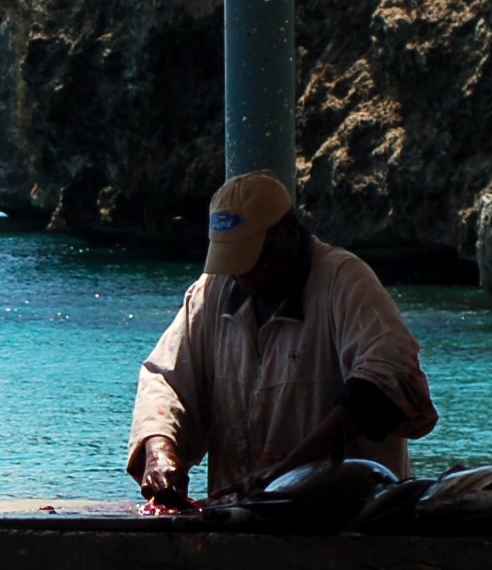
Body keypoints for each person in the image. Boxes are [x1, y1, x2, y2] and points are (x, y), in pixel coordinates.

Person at [130, 171, 438, 509]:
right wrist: (160, 450)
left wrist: (286, 471)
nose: (243, 275)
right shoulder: (213, 290)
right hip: (240, 519)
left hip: (349, 520)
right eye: (233, 262)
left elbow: (385, 380)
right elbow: (165, 380)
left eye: (253, 259)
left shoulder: (346, 281)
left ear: (287, 231)